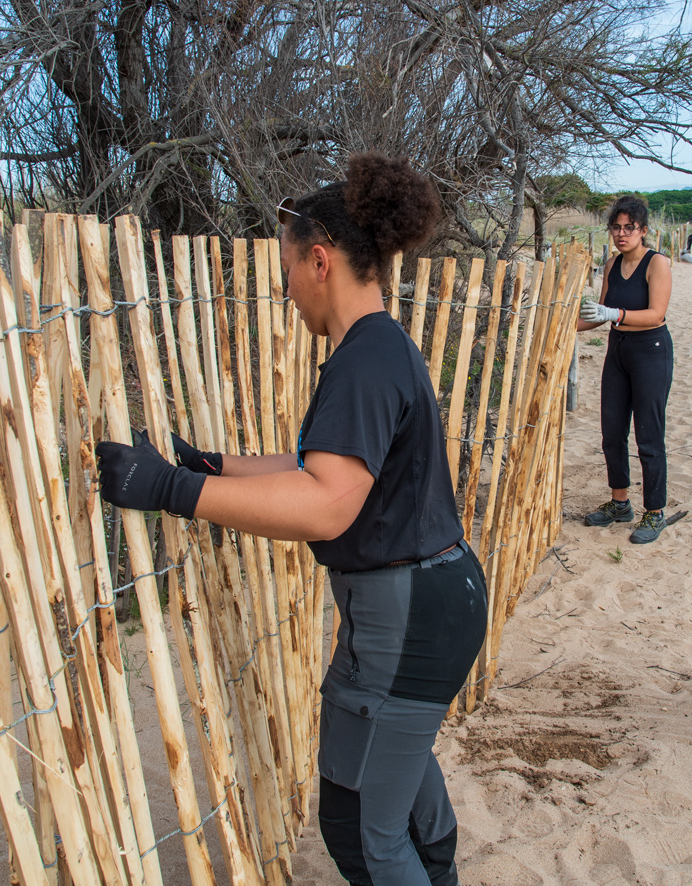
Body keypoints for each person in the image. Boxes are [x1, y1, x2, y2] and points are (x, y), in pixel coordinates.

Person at [95, 153, 488, 886]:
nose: (284, 290)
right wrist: (212, 466)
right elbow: (323, 466)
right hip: (428, 603)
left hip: (405, 617)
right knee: (394, 791)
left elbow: (324, 502)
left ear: (319, 260)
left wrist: (168, 492)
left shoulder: (364, 362)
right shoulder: (378, 347)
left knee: (361, 828)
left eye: (285, 270)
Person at [577, 194, 674, 544]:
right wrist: (564, 323)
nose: (621, 234)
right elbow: (600, 312)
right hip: (618, 351)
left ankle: (655, 511)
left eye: (629, 228)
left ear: (643, 230)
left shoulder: (657, 263)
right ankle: (620, 503)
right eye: (616, 228)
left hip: (651, 350)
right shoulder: (612, 264)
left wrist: (615, 314)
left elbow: (656, 313)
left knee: (648, 435)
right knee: (612, 431)